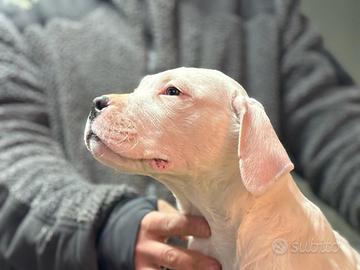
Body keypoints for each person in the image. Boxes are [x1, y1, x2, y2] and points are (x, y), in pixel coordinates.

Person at [0, 0, 359, 269]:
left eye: (172, 93)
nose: (106, 103)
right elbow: (9, 153)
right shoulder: (19, 23)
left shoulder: (264, 15)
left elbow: (345, 136)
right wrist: (104, 225)